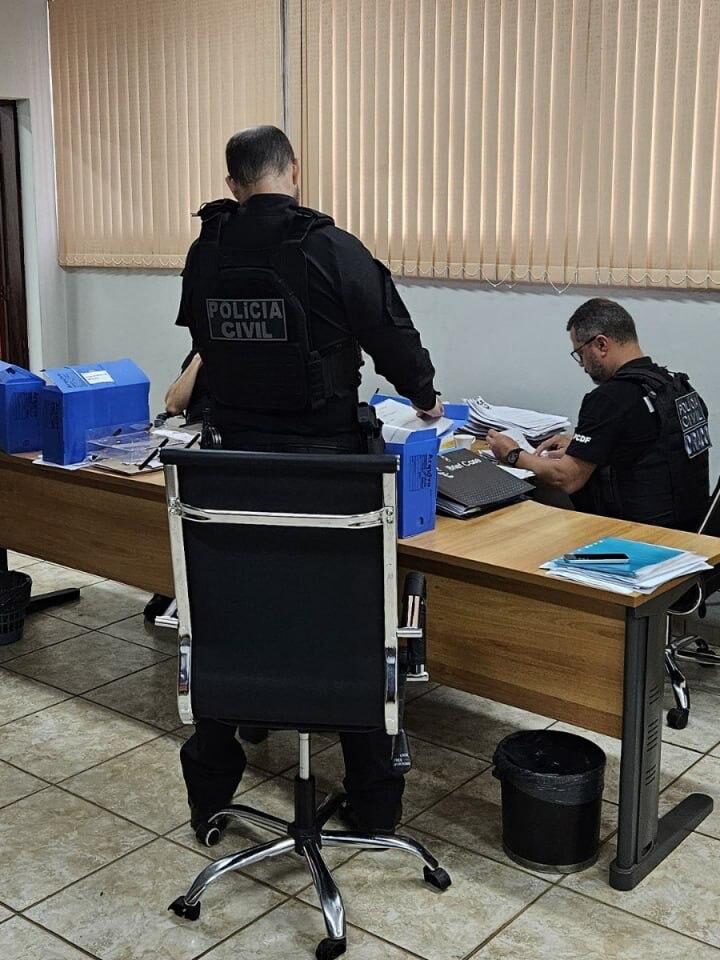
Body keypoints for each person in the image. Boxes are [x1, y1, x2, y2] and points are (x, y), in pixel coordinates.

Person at [175, 124, 443, 841]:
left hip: (229, 474)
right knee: (352, 629)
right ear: (294, 169)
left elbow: (202, 347)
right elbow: (393, 339)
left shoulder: (207, 249)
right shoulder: (332, 247)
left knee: (229, 619)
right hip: (328, 477)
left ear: (232, 183)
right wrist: (425, 397)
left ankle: (210, 801)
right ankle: (374, 805)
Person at [487, 298, 710, 531]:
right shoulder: (677, 387)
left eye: (580, 353)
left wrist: (513, 454)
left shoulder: (610, 398)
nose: (582, 365)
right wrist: (586, 447)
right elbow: (654, 449)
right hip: (693, 534)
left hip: (638, 538)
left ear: (601, 344)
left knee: (527, 511)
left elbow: (566, 478)